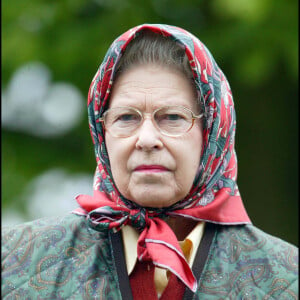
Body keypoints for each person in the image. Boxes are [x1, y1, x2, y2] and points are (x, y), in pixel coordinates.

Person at [2, 24, 298, 299]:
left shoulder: (287, 279)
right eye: (126, 117)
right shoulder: (15, 263)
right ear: (101, 131)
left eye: (172, 117)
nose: (146, 139)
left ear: (210, 134)